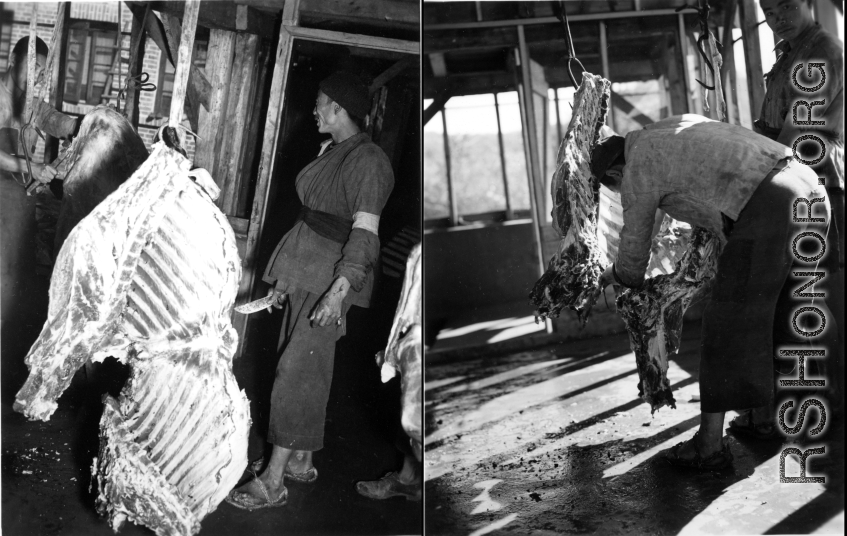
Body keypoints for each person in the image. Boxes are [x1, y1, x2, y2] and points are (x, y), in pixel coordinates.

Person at [594, 114, 838, 469]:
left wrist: (613, 275)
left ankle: (709, 445)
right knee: (782, 313)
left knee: (726, 321)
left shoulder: (635, 170)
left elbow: (634, 251)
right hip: (810, 188)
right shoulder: (669, 127)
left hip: (771, 205)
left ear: (614, 176)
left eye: (613, 189)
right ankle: (769, 417)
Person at [226, 71, 394, 510]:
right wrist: (288, 280)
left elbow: (366, 233)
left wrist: (339, 291)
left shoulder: (369, 160)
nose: (314, 109)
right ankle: (300, 460)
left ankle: (274, 481)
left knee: (297, 373)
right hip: (306, 274)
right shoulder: (337, 151)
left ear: (339, 108)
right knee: (303, 367)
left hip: (328, 281)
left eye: (321, 103)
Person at [1, 36, 77, 185]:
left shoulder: (35, 108)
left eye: (42, 73)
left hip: (19, 198)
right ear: (13, 59)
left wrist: (97, 122)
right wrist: (32, 168)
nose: (36, 77)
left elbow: (66, 126)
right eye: (33, 66)